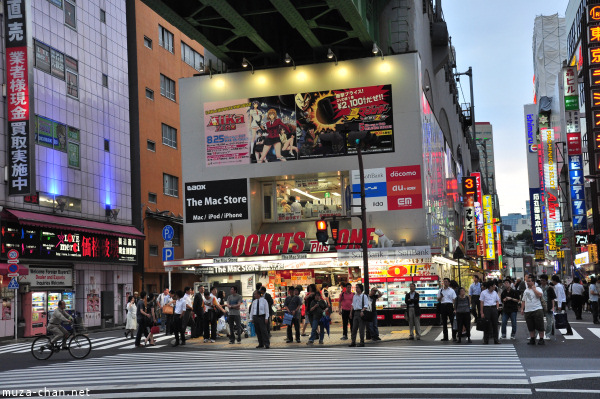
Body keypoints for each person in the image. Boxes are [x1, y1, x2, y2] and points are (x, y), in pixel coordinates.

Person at [521, 275, 545, 345]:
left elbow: (540, 295)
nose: (528, 283)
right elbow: (523, 300)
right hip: (528, 310)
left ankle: (541, 339)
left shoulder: (538, 288)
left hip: (537, 309)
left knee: (540, 325)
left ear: (533, 282)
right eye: (527, 281)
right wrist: (522, 308)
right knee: (530, 326)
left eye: (529, 281)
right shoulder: (526, 290)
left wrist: (534, 289)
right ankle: (532, 339)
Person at [349, 283, 369, 347]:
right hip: (355, 313)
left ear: (360, 289)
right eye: (356, 287)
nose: (356, 289)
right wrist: (351, 312)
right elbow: (353, 304)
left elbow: (366, 305)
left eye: (357, 287)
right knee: (354, 328)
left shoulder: (364, 296)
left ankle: (362, 342)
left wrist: (362, 310)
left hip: (361, 312)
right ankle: (353, 341)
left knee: (361, 329)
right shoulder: (355, 296)